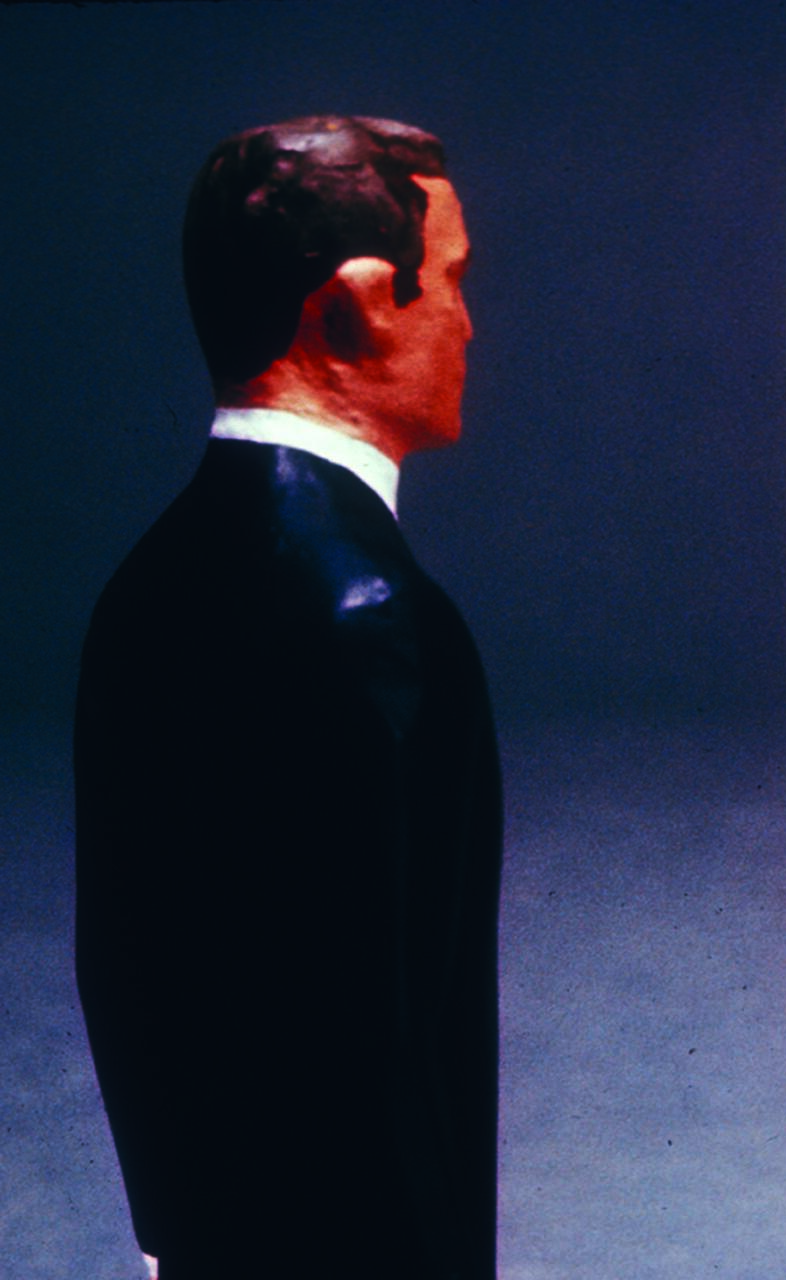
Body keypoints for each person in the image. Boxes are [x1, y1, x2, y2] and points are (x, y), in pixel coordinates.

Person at [74, 116, 502, 1279]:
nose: (468, 322)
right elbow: (400, 1038)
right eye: (451, 284)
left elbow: (123, 968)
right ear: (360, 305)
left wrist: (177, 1234)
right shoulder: (381, 623)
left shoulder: (142, 589)